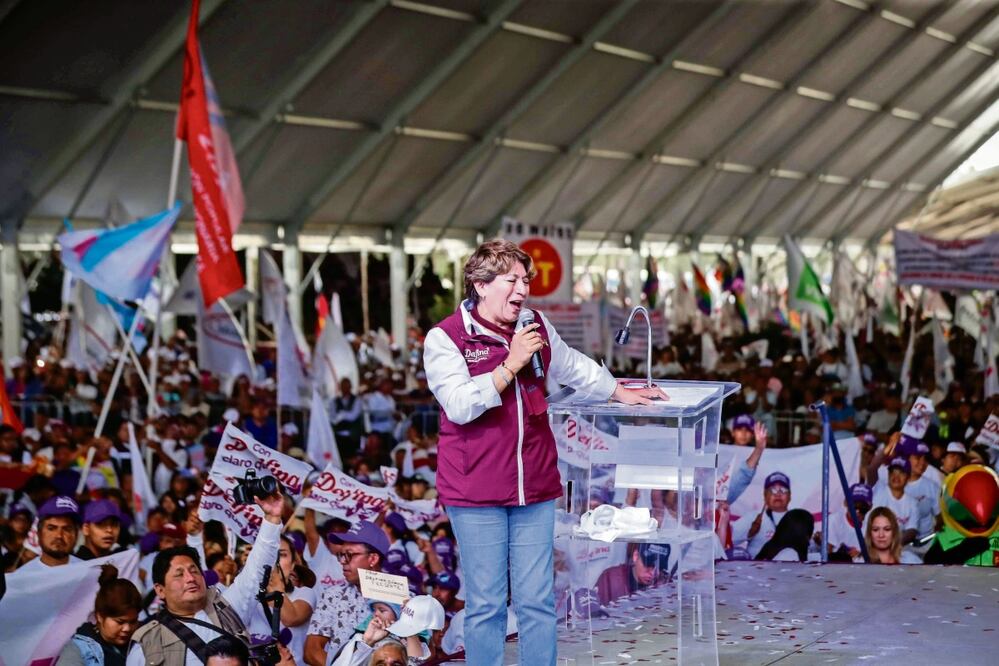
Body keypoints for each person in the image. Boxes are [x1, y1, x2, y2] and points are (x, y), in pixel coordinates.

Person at [423, 239, 664, 666]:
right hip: (476, 491)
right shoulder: (446, 338)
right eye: (511, 280)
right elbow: (459, 405)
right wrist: (510, 365)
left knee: (537, 601)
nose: (522, 290)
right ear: (480, 284)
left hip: (533, 484)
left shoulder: (533, 323)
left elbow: (571, 365)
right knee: (487, 604)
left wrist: (618, 391)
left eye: (525, 281)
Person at [126, 488, 285, 665]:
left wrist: (272, 519)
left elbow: (257, 570)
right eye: (179, 575)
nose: (190, 578)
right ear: (160, 590)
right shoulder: (147, 645)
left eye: (194, 571)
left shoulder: (229, 608)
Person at [304, 520, 389, 665]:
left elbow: (419, 655)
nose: (342, 561)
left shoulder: (403, 598)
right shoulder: (333, 596)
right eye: (341, 555)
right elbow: (311, 651)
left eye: (349, 555)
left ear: (373, 558)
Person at [246, 534, 316, 664]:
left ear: (293, 564)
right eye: (269, 554)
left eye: (282, 555)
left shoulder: (305, 593)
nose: (274, 560)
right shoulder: (248, 598)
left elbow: (291, 618)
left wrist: (274, 583)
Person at [56, 565, 141, 665]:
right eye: (120, 622)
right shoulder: (78, 651)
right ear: (100, 616)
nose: (127, 628)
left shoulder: (146, 642)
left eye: (133, 621)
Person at [731, 472, 792, 558]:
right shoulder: (753, 517)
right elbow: (727, 540)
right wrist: (749, 534)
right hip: (757, 569)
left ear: (789, 495)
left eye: (783, 490)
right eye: (773, 489)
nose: (778, 494)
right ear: (765, 494)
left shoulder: (797, 519)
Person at [18, 495, 82, 570]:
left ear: (76, 535)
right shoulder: (22, 577)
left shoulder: (91, 574)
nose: (59, 535)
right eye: (51, 528)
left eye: (67, 529)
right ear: (38, 533)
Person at [870, 456, 918, 544]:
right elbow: (871, 470)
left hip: (896, 547)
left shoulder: (912, 503)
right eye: (893, 472)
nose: (896, 476)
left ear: (908, 477)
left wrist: (894, 543)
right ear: (888, 474)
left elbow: (912, 530)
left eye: (901, 473)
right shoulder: (878, 489)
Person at [825, 483, 872, 561]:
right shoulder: (834, 520)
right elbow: (826, 556)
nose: (857, 512)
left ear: (870, 507)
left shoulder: (872, 526)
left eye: (862, 508)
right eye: (854, 506)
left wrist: (861, 554)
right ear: (845, 502)